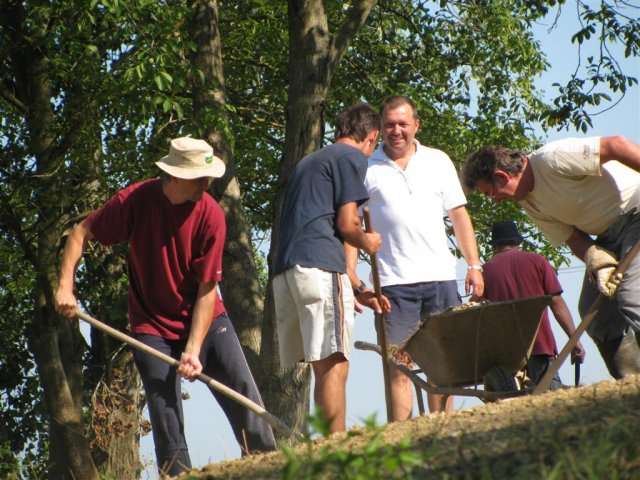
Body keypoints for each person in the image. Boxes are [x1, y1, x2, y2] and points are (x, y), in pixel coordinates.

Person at [55, 137, 277, 477]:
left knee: (245, 399)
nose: (206, 185)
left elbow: (207, 289)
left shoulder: (212, 215)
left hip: (208, 322)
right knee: (165, 417)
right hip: (152, 327)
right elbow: (80, 233)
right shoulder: (137, 200)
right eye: (199, 178)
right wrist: (65, 287)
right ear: (175, 176)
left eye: (208, 178)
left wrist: (193, 349)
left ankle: (275, 469)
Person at [350, 95, 484, 420]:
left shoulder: (438, 161)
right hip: (392, 284)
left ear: (416, 125)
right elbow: (350, 225)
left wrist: (474, 265)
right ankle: (402, 436)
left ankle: (442, 428)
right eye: (389, 125)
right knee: (398, 365)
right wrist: (351, 279)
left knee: (444, 364)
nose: (396, 131)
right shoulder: (365, 167)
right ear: (380, 128)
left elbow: (459, 216)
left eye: (403, 124)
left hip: (440, 279)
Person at [463, 136, 640, 380]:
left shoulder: (550, 159)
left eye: (490, 192)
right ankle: (632, 385)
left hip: (635, 211)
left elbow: (615, 145)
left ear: (502, 176)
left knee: (633, 296)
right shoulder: (530, 204)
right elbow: (573, 238)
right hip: (608, 237)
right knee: (594, 313)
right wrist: (595, 260)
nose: (495, 200)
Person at [272, 103, 389, 434]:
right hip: (319, 266)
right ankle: (336, 446)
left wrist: (357, 287)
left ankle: (325, 442)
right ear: (372, 136)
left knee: (322, 365)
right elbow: (347, 224)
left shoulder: (310, 161)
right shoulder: (351, 157)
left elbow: (318, 223)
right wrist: (367, 241)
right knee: (336, 364)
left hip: (288, 271)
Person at [483, 221, 585, 389]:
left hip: (505, 353)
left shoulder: (486, 270)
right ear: (518, 242)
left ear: (495, 246)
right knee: (551, 399)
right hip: (540, 345)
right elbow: (556, 302)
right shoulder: (538, 261)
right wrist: (575, 340)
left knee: (511, 401)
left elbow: (481, 312)